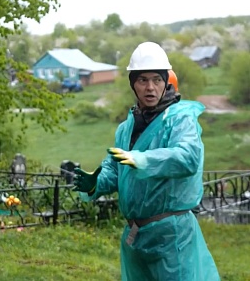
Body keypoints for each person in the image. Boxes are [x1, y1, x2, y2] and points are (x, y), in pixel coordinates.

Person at [73, 42, 220, 280]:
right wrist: (96, 183)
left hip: (171, 236)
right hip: (136, 234)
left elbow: (188, 158)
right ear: (133, 84)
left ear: (166, 82)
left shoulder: (180, 120)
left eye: (157, 80)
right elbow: (115, 167)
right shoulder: (126, 127)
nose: (150, 87)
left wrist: (143, 159)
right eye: (142, 80)